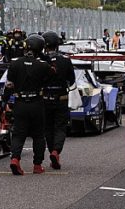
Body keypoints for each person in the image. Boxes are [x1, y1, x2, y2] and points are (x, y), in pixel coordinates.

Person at [6, 33, 53, 175]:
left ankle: (15, 159)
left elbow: (9, 84)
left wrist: (5, 101)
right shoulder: (43, 66)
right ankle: (37, 165)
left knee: (18, 134)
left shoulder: (14, 64)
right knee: (38, 135)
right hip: (37, 102)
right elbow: (50, 77)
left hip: (20, 102)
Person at [39, 31, 75, 170]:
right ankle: (56, 151)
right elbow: (71, 80)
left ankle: (51, 151)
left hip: (45, 98)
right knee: (60, 127)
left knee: (48, 127)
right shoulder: (65, 60)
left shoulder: (40, 61)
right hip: (61, 98)